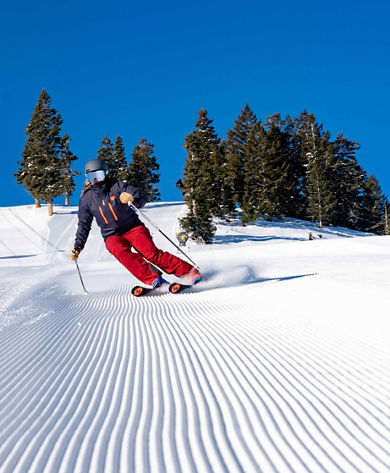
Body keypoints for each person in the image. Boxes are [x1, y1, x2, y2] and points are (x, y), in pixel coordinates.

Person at [70, 158, 202, 288]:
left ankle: (189, 272)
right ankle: (153, 278)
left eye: (99, 175)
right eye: (91, 176)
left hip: (133, 228)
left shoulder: (118, 187)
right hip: (112, 235)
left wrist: (131, 198)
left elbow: (140, 198)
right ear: (87, 178)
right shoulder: (86, 199)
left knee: (151, 254)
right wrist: (78, 246)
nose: (96, 180)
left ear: (106, 173)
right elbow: (84, 225)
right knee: (121, 253)